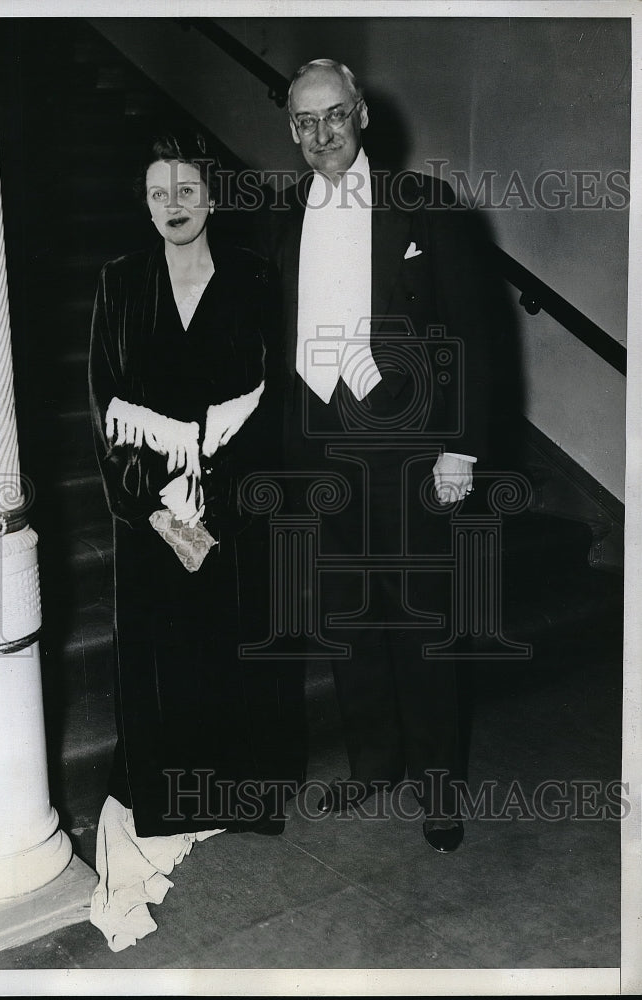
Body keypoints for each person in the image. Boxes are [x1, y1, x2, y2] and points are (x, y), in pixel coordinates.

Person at [268, 59, 494, 853]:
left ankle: (438, 784)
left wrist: (460, 450)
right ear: (290, 128)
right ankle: (375, 759)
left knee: (421, 612)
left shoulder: (425, 207)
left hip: (406, 446)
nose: (319, 135)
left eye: (332, 116)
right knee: (345, 612)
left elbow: (471, 333)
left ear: (360, 112)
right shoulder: (282, 211)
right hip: (315, 440)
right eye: (302, 122)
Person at [88, 130, 305, 949]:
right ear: (144, 205)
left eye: (186, 190)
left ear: (210, 198)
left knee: (236, 651)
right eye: (158, 194)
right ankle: (174, 799)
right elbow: (105, 403)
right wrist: (153, 511)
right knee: (163, 659)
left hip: (231, 509)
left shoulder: (252, 274)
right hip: (151, 515)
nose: (173, 206)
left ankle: (242, 800)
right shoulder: (118, 282)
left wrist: (217, 511)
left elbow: (269, 390)